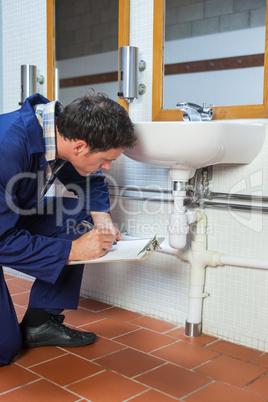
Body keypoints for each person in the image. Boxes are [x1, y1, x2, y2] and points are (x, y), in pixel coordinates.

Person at [0, 92, 136, 366]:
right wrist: (73, 250)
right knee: (4, 350)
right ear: (80, 147)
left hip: (4, 220)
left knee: (74, 216)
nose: (107, 167)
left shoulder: (58, 132)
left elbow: (90, 179)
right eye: (105, 159)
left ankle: (40, 323)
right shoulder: (7, 149)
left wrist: (102, 217)